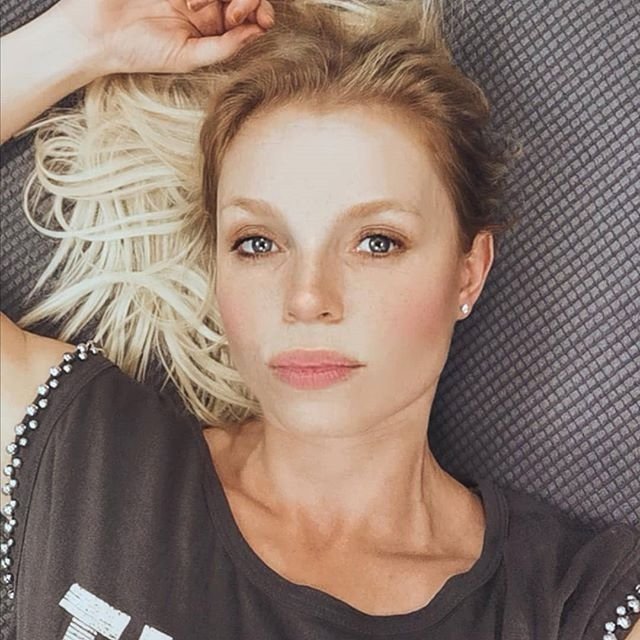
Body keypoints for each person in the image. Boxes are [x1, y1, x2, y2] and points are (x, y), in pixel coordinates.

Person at [0, 0, 638, 638]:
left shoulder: (566, 603)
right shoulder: (91, 461)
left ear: (467, 272)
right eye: (258, 243)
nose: (306, 298)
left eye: (377, 242)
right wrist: (82, 37)